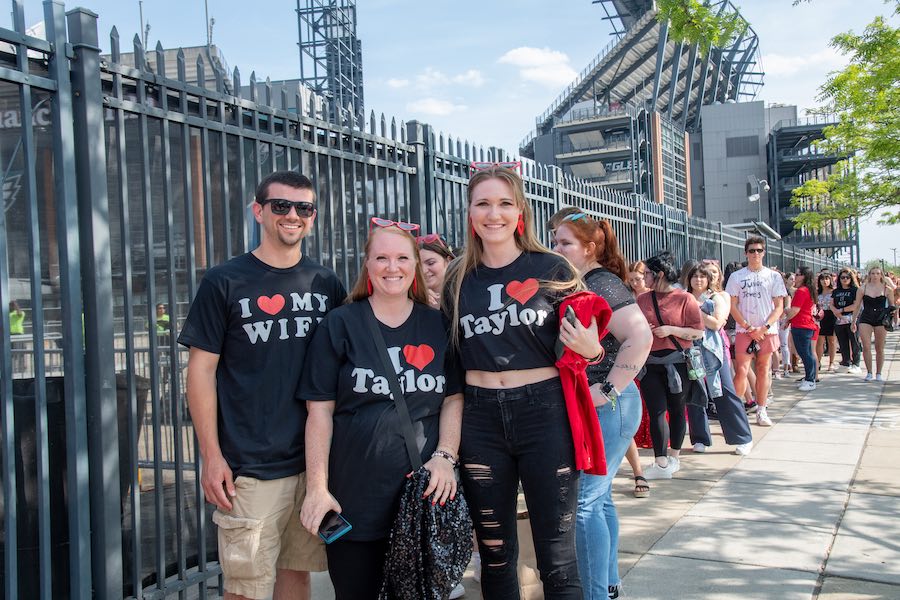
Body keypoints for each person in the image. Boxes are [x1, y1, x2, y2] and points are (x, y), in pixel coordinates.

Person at [179, 171, 346, 600]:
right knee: (245, 587)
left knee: (297, 574)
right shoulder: (225, 280)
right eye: (281, 206)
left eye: (303, 208)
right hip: (249, 466)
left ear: (312, 218)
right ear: (259, 212)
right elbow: (199, 372)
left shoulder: (325, 284)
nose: (292, 215)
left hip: (312, 465)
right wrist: (211, 456)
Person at [442, 164, 603, 598]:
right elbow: (450, 363)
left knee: (558, 558)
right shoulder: (457, 278)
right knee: (495, 557)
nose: (493, 214)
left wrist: (594, 351)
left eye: (504, 204)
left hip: (544, 413)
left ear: (520, 212)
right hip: (480, 420)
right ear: (470, 212)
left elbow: (589, 342)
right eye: (483, 204)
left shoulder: (551, 267)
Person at [299, 220, 464, 599]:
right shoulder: (340, 323)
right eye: (382, 258)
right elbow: (319, 412)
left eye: (403, 257)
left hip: (423, 497)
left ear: (416, 265)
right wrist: (317, 489)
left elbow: (454, 398)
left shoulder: (438, 324)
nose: (393, 267)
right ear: (367, 265)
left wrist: (445, 456)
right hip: (354, 497)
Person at [550, 210, 652, 599]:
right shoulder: (587, 281)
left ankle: (595, 593)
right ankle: (608, 586)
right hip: (613, 404)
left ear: (590, 247)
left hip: (611, 405)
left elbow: (640, 337)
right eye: (555, 242)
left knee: (586, 503)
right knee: (601, 497)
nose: (557, 249)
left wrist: (607, 388)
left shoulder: (600, 283)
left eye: (565, 243)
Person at [636, 251, 704, 479]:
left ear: (660, 274)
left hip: (678, 363)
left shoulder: (685, 299)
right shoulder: (642, 299)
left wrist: (671, 330)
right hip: (650, 363)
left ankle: (674, 456)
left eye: (647, 274)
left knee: (676, 410)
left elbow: (698, 332)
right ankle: (661, 461)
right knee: (656, 410)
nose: (643, 278)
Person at [684, 262, 754, 456]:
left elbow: (716, 323)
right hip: (691, 351)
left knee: (724, 391)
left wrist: (695, 310)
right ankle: (699, 438)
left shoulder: (718, 297)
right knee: (695, 393)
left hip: (713, 351)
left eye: (702, 277)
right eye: (695, 276)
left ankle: (742, 437)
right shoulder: (684, 297)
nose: (698, 280)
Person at [725, 236, 787, 427]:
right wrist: (748, 326)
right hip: (745, 330)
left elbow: (779, 307)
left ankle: (762, 409)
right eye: (752, 250)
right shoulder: (737, 277)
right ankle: (734, 414)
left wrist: (764, 327)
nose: (755, 254)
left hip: (767, 331)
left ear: (764, 252)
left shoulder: (773, 276)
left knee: (763, 369)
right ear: (746, 253)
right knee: (742, 370)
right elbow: (732, 305)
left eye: (759, 250)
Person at [852, 266, 896, 381]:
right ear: (869, 275)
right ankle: (869, 372)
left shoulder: (887, 289)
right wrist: (853, 321)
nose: (875, 276)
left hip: (881, 319)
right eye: (873, 273)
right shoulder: (863, 288)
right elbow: (857, 306)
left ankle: (879, 373)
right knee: (866, 346)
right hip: (866, 317)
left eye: (877, 273)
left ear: (881, 275)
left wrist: (893, 320)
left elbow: (893, 306)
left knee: (879, 347)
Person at [785, 267, 819, 392]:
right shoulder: (807, 290)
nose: (796, 276)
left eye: (798, 274)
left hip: (802, 326)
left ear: (804, 276)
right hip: (802, 325)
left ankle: (810, 379)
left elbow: (795, 310)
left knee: (805, 353)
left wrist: (786, 314)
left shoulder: (802, 291)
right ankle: (809, 378)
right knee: (806, 353)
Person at [831, 269, 862, 373]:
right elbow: (831, 303)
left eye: (847, 277)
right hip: (839, 319)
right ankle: (846, 362)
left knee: (854, 341)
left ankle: (856, 364)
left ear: (851, 278)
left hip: (851, 318)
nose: (844, 279)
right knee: (843, 342)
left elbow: (856, 305)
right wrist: (835, 311)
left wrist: (842, 310)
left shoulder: (854, 290)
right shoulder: (836, 291)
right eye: (842, 277)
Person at [417, 233, 456, 309]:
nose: (423, 270)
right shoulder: (408, 300)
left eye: (431, 263)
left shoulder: (465, 293)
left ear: (448, 261)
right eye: (417, 266)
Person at [815, 272, 838, 373]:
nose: (825, 281)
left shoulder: (834, 292)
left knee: (831, 340)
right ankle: (818, 361)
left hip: (831, 315)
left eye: (827, 279)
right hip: (820, 316)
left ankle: (831, 362)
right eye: (822, 279)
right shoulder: (817, 293)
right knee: (820, 341)